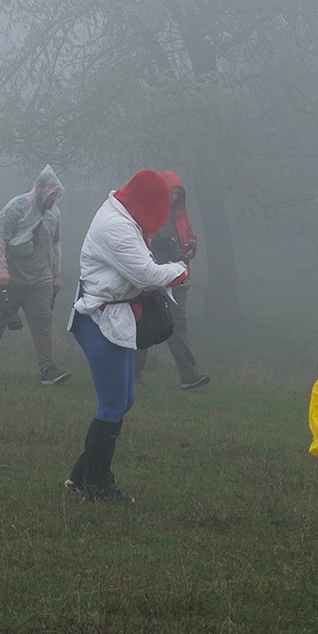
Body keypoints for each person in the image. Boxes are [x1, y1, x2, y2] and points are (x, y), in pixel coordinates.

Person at [64, 170, 189, 502]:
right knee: (113, 404)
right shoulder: (116, 227)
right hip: (98, 319)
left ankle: (82, 478)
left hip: (110, 316)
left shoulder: (122, 214)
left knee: (123, 401)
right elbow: (145, 273)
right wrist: (179, 269)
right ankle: (96, 486)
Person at [0, 165, 70, 386]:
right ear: (39, 187)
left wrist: (56, 275)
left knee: (42, 320)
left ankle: (48, 369)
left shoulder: (54, 214)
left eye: (57, 195)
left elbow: (55, 244)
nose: (54, 199)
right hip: (12, 276)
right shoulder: (16, 208)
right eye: (51, 193)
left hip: (39, 278)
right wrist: (2, 269)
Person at [135, 171, 209, 390]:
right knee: (146, 322)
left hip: (178, 276)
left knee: (178, 323)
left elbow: (190, 234)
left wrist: (191, 245)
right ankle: (134, 373)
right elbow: (143, 237)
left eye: (178, 193)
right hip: (155, 274)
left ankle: (188, 373)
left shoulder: (181, 214)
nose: (175, 196)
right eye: (171, 192)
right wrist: (162, 241)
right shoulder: (151, 212)